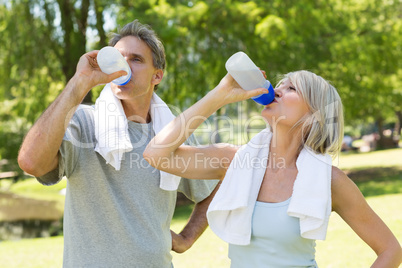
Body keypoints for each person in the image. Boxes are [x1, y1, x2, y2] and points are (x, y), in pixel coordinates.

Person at [143, 70, 402, 267]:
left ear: (315, 115)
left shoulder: (328, 180)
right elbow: (155, 154)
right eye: (278, 85)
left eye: (291, 88)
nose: (276, 90)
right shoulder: (235, 160)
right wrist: (219, 94)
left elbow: (391, 250)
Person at [18, 20, 219, 268]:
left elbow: (216, 185)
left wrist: (187, 238)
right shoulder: (83, 122)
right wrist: (79, 82)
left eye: (135, 59)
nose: (124, 66)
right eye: (118, 57)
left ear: (157, 75)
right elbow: (30, 162)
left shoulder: (173, 130)